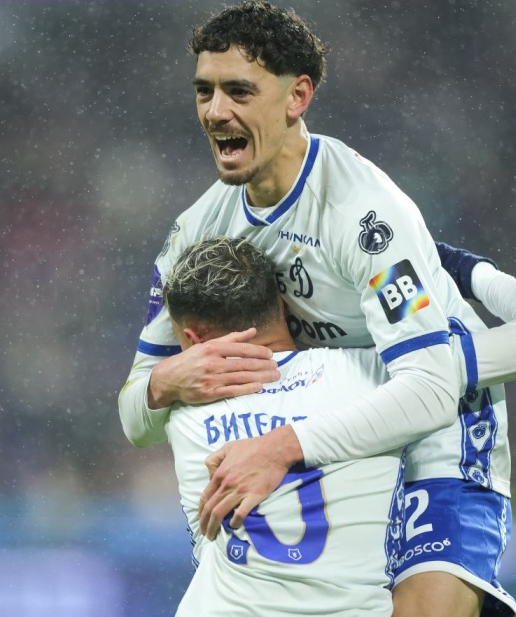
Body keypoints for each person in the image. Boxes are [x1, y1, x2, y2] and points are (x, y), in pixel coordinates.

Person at [118, 0, 516, 617]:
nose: (216, 110)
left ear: (297, 96)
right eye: (204, 91)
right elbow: (135, 418)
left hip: (435, 426)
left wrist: (282, 446)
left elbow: (430, 394)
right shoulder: (196, 231)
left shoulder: (362, 214)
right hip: (334, 419)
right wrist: (163, 384)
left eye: (239, 91)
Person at [162, 236, 403, 616]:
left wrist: (160, 380)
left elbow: (134, 420)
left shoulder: (183, 417)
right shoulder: (377, 374)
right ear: (284, 304)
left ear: (192, 340)